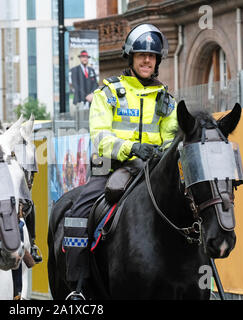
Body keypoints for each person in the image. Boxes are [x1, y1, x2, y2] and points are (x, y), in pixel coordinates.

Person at [63, 24, 178, 299]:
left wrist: (159, 153)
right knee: (78, 211)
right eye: (141, 55)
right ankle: (77, 286)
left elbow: (173, 139)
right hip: (111, 169)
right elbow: (100, 136)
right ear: (130, 57)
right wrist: (133, 148)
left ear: (158, 61)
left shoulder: (167, 101)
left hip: (152, 172)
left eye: (152, 56)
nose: (147, 60)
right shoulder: (109, 92)